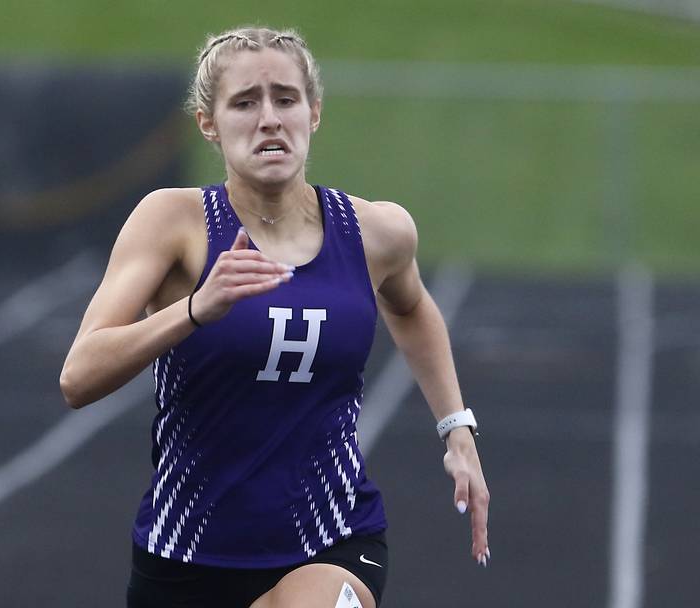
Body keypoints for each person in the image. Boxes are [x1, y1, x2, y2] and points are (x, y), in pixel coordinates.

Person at [60, 26, 490, 608]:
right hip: (190, 553)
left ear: (313, 114)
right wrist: (193, 310)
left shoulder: (376, 232)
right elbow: (79, 377)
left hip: (333, 536)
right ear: (207, 124)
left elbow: (411, 306)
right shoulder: (172, 223)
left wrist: (455, 427)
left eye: (285, 99)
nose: (269, 119)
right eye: (244, 102)